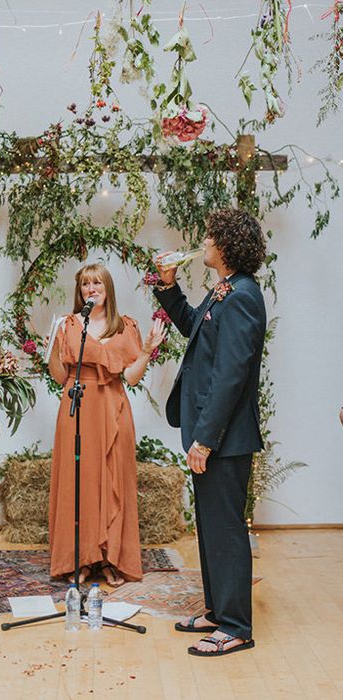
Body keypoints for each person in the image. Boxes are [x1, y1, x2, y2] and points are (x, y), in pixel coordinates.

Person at [153, 207, 266, 657]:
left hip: (224, 438)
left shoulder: (242, 296)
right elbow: (191, 328)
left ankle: (237, 627)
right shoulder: (225, 290)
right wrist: (168, 286)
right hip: (211, 433)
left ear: (225, 245)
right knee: (211, 528)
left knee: (226, 530)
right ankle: (219, 611)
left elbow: (231, 375)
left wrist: (206, 438)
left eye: (208, 236)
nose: (202, 242)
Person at [48, 263, 165, 587]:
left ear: (108, 288)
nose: (91, 289)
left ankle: (112, 559)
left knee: (114, 479)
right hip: (77, 407)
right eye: (85, 284)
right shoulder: (68, 325)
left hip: (113, 408)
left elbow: (130, 376)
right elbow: (59, 376)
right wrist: (52, 351)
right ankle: (81, 560)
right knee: (79, 484)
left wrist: (145, 351)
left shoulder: (125, 326)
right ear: (80, 290)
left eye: (97, 283)